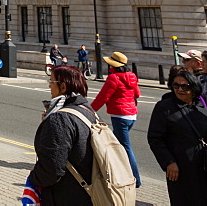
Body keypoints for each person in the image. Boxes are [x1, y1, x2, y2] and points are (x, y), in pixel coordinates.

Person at [147, 70, 207, 205]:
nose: (180, 89)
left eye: (185, 86)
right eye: (176, 86)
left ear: (194, 89)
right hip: (180, 169)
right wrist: (169, 162)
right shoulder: (164, 107)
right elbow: (155, 138)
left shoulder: (206, 108)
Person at [28, 65, 96, 204]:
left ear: (63, 87)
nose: (49, 86)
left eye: (52, 82)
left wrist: (33, 179)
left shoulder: (60, 119)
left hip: (65, 195)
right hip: (88, 192)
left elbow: (52, 168)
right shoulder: (87, 111)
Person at [91, 51, 141, 186]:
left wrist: (90, 110)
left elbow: (103, 96)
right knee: (115, 146)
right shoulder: (132, 76)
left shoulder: (114, 78)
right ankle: (112, 171)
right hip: (132, 115)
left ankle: (135, 179)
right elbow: (137, 93)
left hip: (119, 116)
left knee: (124, 147)